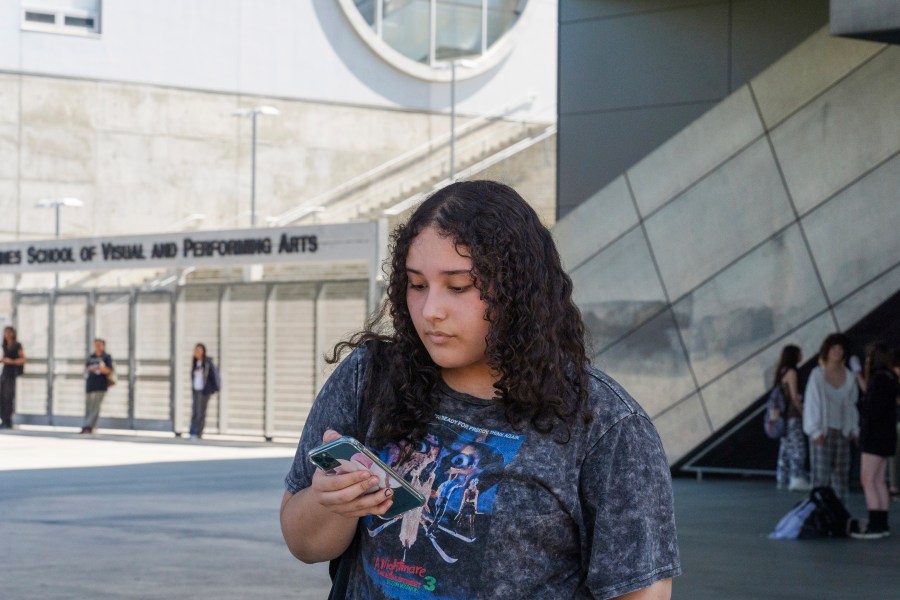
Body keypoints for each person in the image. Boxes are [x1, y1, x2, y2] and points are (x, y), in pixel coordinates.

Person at [280, 180, 680, 599]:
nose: (431, 310)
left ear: (518, 292)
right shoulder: (369, 377)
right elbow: (303, 543)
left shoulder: (604, 424)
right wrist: (330, 503)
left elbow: (640, 592)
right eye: (417, 285)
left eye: (458, 287)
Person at [803, 333, 859, 501]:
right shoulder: (817, 375)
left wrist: (854, 429)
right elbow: (812, 403)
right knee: (821, 477)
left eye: (840, 348)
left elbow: (851, 405)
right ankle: (818, 515)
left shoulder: (849, 376)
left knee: (841, 477)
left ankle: (840, 517)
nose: (837, 352)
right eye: (833, 348)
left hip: (842, 431)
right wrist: (814, 430)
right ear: (826, 351)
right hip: (822, 432)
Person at [851, 342, 898, 539]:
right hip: (887, 436)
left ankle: (875, 524)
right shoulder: (890, 379)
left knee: (868, 479)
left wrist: (861, 405)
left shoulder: (879, 379)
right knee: (879, 480)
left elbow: (873, 410)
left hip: (874, 437)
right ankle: (882, 522)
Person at [773, 344, 810, 491]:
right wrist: (803, 412)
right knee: (798, 447)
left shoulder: (781, 371)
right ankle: (796, 477)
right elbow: (795, 396)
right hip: (793, 416)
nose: (801, 356)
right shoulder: (792, 372)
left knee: (785, 448)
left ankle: (782, 477)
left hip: (783, 417)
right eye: (799, 353)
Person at [81, 338, 114, 434]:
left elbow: (110, 370)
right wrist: (90, 369)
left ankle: (88, 426)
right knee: (89, 407)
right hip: (90, 385)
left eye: (99, 345)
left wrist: (100, 367)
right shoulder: (91, 357)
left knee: (96, 407)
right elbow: (85, 370)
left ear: (103, 346)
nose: (97, 347)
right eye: (96, 345)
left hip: (100, 386)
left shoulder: (106, 357)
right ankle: (90, 426)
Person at [188, 343, 220, 439]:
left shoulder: (207, 363)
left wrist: (214, 389)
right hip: (196, 391)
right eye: (196, 350)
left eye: (199, 350)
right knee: (194, 412)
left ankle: (198, 433)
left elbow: (214, 376)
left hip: (204, 392)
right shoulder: (195, 362)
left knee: (200, 412)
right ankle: (192, 432)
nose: (197, 352)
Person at [1, 326, 26, 429]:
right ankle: (3, 419)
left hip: (12, 374)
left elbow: (23, 359)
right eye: (5, 332)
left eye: (8, 332)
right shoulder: (4, 345)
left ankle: (8, 420)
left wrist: (11, 361)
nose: (7, 334)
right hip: (4, 372)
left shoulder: (17, 345)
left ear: (13, 333)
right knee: (1, 397)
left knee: (8, 397)